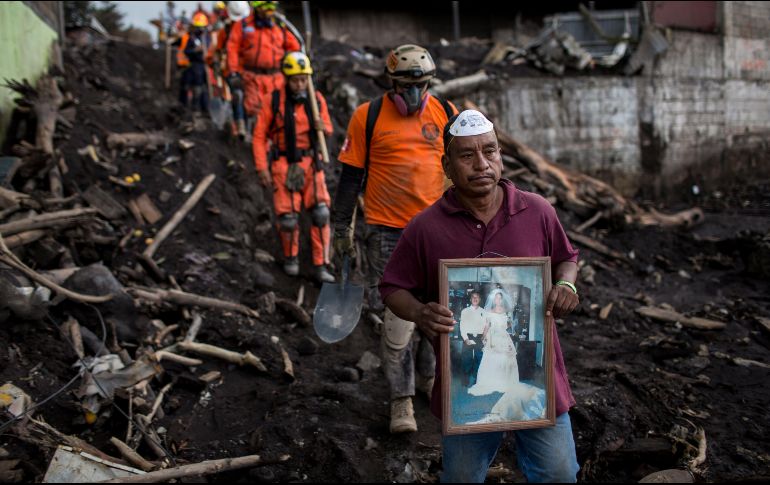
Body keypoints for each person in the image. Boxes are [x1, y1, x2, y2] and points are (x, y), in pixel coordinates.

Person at [380, 109, 580, 482]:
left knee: (559, 473)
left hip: (541, 386)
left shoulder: (536, 211)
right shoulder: (426, 228)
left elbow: (566, 259)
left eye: (490, 152)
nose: (482, 164)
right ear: (447, 164)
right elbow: (392, 288)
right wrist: (420, 312)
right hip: (461, 392)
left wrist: (566, 285)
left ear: (501, 156)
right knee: (461, 477)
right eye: (467, 155)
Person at [332, 44, 458, 434]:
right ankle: (401, 401)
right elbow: (351, 177)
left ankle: (428, 377)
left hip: (440, 231)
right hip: (389, 233)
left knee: (438, 311)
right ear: (392, 84)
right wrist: (341, 226)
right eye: (407, 85)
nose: (414, 94)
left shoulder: (446, 114)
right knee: (398, 320)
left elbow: (459, 169)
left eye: (421, 85)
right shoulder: (367, 117)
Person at [252, 51, 335, 283]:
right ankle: (291, 259)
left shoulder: (316, 100)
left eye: (303, 79)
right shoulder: (274, 100)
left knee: (321, 214)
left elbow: (328, 128)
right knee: (288, 219)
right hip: (284, 164)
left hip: (312, 165)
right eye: (295, 79)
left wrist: (323, 127)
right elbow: (259, 137)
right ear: (286, 78)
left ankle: (321, 264)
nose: (300, 84)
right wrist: (262, 168)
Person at [226, 1, 301, 120]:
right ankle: (251, 135)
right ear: (257, 7)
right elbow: (232, 48)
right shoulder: (243, 25)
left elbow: (295, 47)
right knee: (255, 112)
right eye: (267, 6)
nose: (270, 10)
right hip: (252, 78)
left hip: (276, 78)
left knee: (279, 110)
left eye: (272, 6)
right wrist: (233, 72)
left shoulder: (279, 27)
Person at [468, 289, 518, 396]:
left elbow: (508, 324)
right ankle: (490, 382)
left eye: (500, 298)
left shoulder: (505, 310)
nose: (498, 300)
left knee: (504, 359)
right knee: (491, 358)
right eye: (496, 298)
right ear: (493, 299)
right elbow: (486, 325)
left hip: (503, 336)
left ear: (502, 300)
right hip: (492, 336)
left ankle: (504, 382)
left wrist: (507, 324)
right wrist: (484, 336)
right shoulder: (489, 310)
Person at [177, 12, 210, 112]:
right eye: (198, 27)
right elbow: (186, 51)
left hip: (203, 66)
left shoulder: (207, 38)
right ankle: (184, 107)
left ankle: (203, 109)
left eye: (202, 27)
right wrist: (195, 50)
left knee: (202, 89)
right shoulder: (191, 38)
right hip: (192, 65)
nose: (200, 29)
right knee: (186, 86)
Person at [459, 291, 485, 387]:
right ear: (470, 299)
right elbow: (462, 326)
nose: (475, 299)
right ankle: (465, 382)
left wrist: (484, 338)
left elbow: (485, 326)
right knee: (467, 359)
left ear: (479, 299)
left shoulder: (483, 311)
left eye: (477, 297)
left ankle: (476, 380)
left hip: (479, 338)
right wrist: (466, 339)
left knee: (479, 359)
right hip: (468, 336)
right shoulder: (465, 311)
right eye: (473, 297)